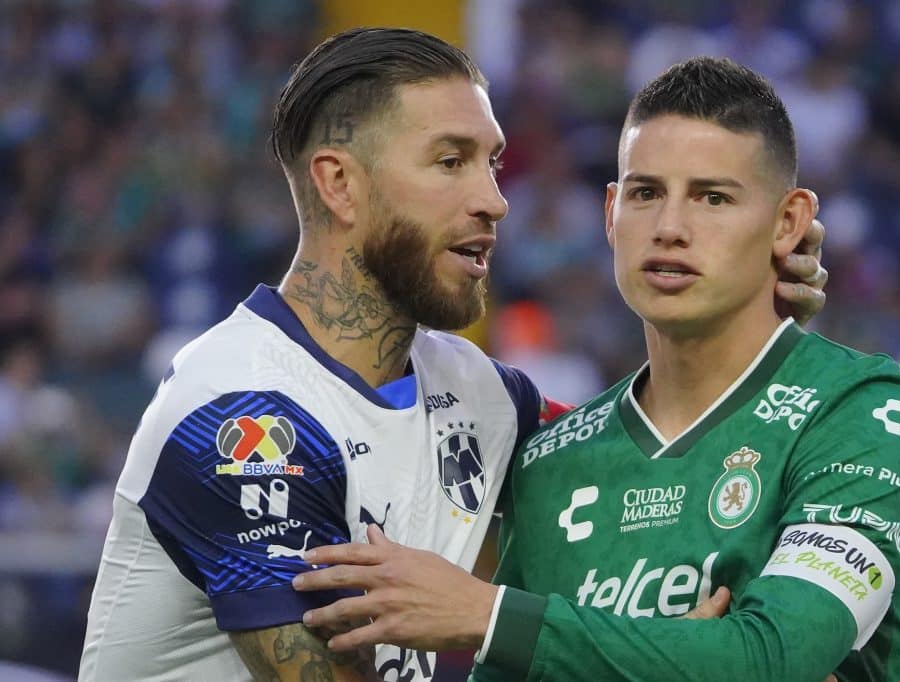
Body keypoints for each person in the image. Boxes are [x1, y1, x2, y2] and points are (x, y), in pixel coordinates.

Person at [78, 29, 826, 682]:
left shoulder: (485, 399)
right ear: (341, 184)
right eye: (450, 161)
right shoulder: (244, 421)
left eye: (492, 163)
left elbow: (675, 466)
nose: (494, 199)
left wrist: (748, 311)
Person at [293, 57, 900, 682]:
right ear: (610, 214)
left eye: (713, 199)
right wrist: (685, 662)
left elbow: (774, 658)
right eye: (645, 193)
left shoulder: (863, 412)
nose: (669, 227)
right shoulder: (550, 461)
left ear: (789, 223)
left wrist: (485, 615)